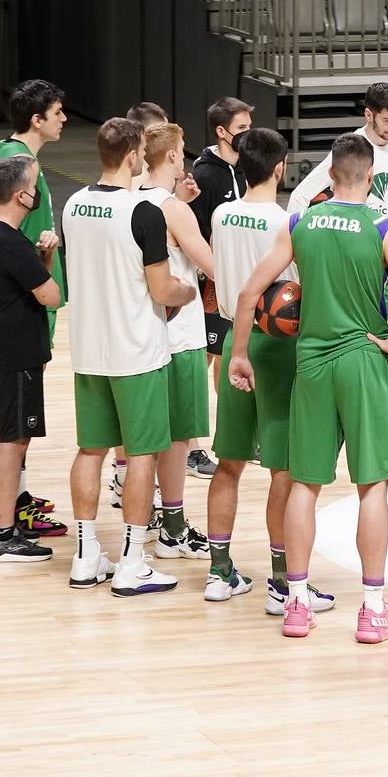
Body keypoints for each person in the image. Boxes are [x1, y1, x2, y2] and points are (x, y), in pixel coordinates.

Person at [229, 133, 388, 643]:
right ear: (368, 176)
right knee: (372, 486)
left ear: (330, 174)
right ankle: (372, 611)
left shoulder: (299, 222)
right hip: (364, 361)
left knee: (305, 483)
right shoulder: (384, 227)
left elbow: (252, 291)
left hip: (312, 363)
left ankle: (296, 604)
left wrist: (237, 353)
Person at [64, 117, 198, 596]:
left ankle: (84, 556)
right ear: (131, 156)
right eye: (141, 148)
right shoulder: (142, 212)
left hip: (88, 349)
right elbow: (162, 289)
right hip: (137, 351)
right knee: (141, 455)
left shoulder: (74, 204)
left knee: (91, 450)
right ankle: (133, 560)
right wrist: (190, 290)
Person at [205, 127, 336, 611]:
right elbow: (296, 290)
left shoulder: (221, 214)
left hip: (233, 343)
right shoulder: (289, 221)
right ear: (280, 169)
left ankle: (220, 572)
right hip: (278, 347)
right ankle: (282, 583)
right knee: (283, 469)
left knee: (230, 460)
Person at [287, 83, 388, 448]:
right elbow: (301, 196)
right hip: (354, 257)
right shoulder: (350, 149)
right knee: (360, 343)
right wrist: (300, 251)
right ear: (368, 114)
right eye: (385, 120)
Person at [0, 79, 69, 538]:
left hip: (16, 307)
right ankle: (7, 517)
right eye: (57, 111)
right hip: (22, 311)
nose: (64, 118)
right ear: (37, 118)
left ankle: (6, 506)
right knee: (11, 429)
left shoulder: (16, 155)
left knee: (5, 424)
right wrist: (23, 266)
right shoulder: (19, 161)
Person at [138, 122, 216, 561]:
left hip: (144, 335)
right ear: (170, 156)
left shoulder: (134, 198)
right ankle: (172, 527)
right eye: (182, 149)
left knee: (151, 434)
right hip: (181, 334)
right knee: (178, 439)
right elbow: (211, 264)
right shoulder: (173, 210)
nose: (184, 156)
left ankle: (152, 518)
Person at [188, 97, 252, 383]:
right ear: (222, 132)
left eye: (250, 126)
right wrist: (208, 274)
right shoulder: (205, 174)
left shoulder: (248, 166)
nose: (248, 133)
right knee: (208, 352)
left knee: (230, 351)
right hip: (212, 281)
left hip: (243, 277)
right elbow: (195, 230)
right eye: (242, 127)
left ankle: (226, 417)